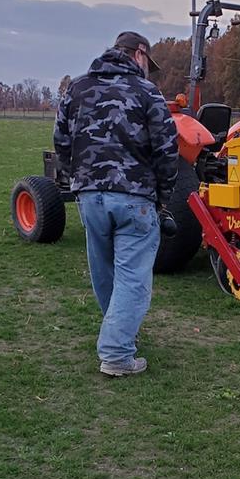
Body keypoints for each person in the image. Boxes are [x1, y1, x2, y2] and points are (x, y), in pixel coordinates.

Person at [55, 32, 178, 376]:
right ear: (139, 53)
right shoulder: (147, 93)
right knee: (133, 277)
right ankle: (117, 354)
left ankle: (121, 331)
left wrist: (78, 180)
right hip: (135, 197)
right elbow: (168, 150)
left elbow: (60, 141)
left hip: (89, 195)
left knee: (104, 271)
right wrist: (164, 197)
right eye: (148, 63)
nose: (149, 71)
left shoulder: (76, 89)